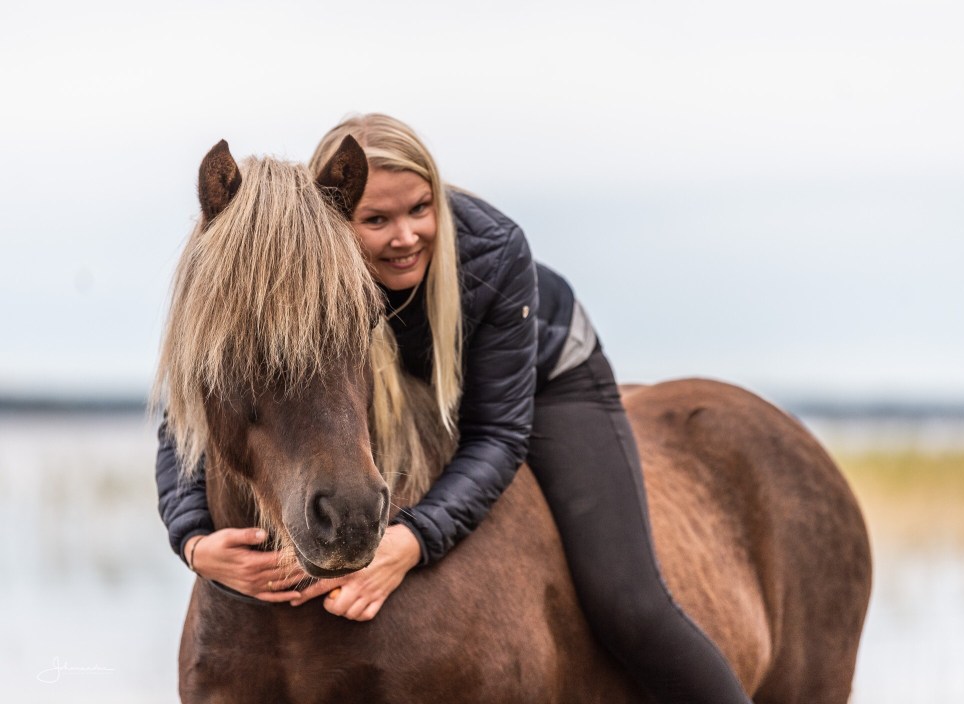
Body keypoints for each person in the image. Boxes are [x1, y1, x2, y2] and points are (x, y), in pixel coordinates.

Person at [155, 113, 751, 703]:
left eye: (420, 208)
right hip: (407, 381)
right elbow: (195, 402)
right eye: (377, 219)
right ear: (339, 213)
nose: (405, 236)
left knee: (629, 603)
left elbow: (497, 432)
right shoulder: (316, 260)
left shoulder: (494, 252)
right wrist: (193, 541)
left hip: (542, 377)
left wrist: (411, 540)